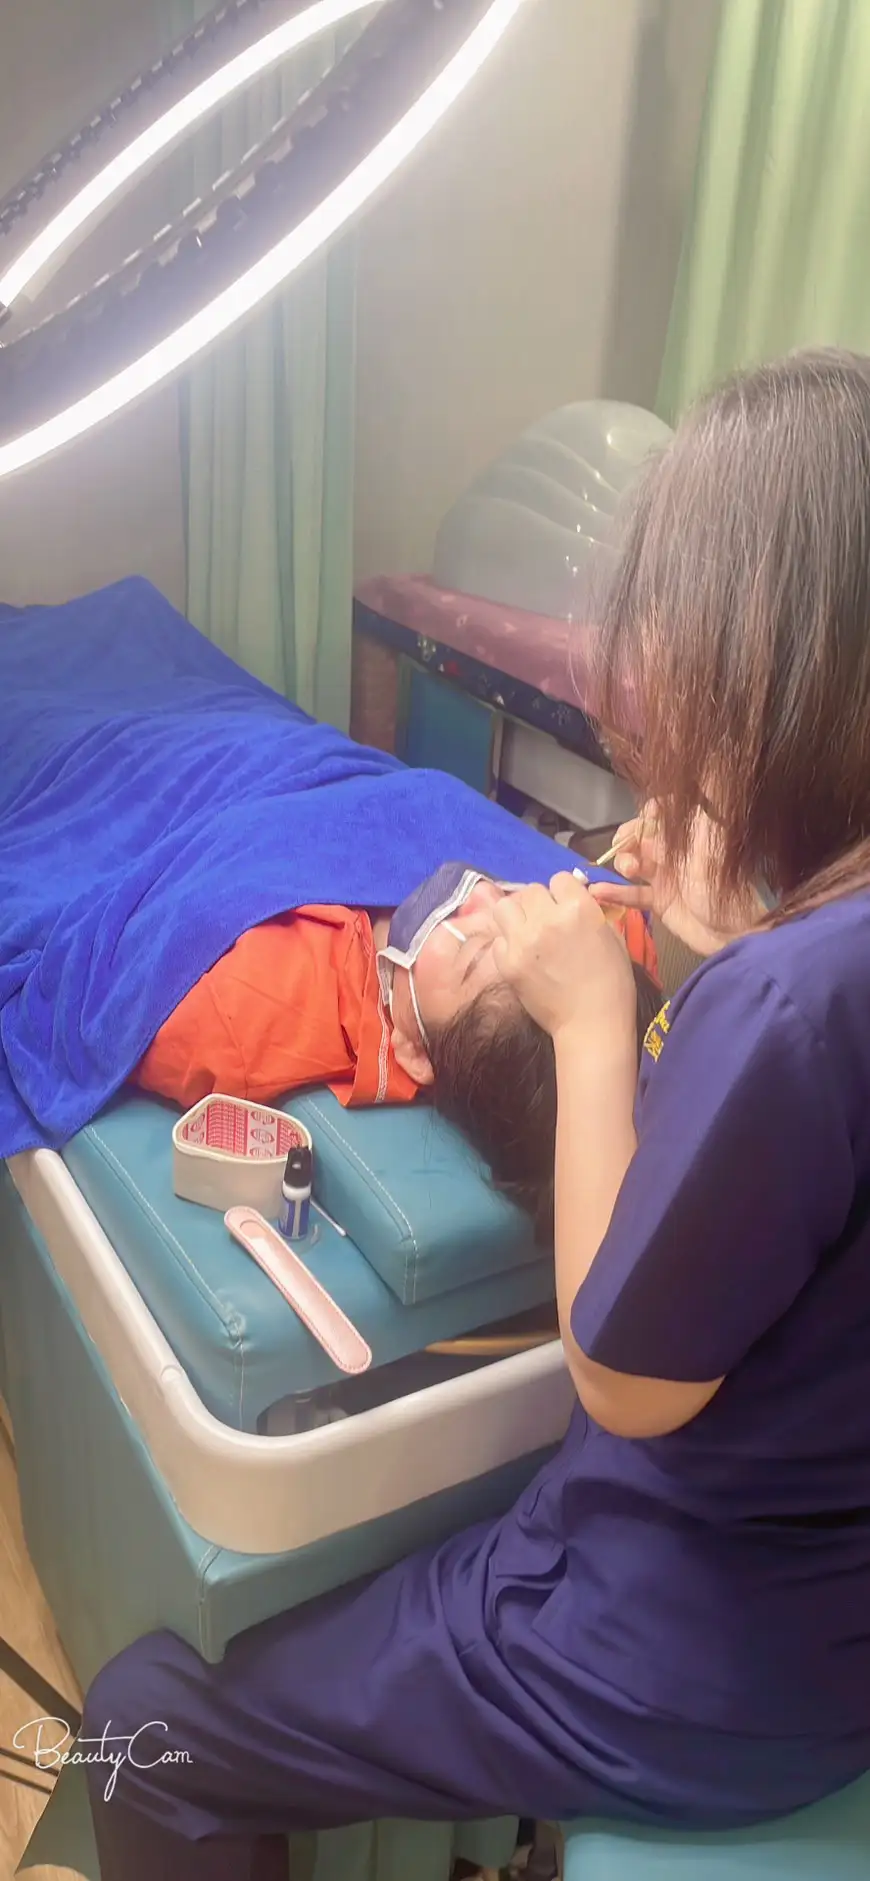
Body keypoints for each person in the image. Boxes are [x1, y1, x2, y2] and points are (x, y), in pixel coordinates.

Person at [81, 348, 870, 1880]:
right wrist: (723, 926)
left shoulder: (772, 1008)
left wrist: (591, 1022)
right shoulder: (799, 957)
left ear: (766, 658)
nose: (484, 904)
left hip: (685, 1660)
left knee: (139, 1727)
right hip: (828, 1621)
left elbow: (624, 1378)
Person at [132, 864, 660, 1237]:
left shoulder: (239, 1012)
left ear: (413, 1052)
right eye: (516, 907)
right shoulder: (606, 943)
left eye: (474, 950)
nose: (482, 895)